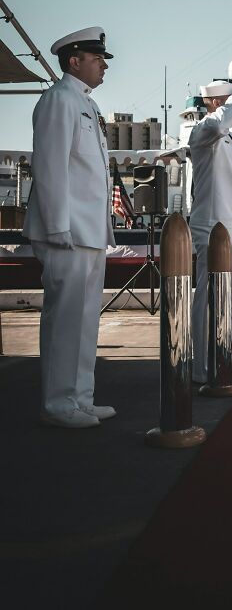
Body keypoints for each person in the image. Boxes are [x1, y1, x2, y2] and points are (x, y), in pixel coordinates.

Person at [24, 27, 116, 428]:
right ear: (74, 61)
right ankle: (58, 404)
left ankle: (81, 397)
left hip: (89, 231)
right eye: (97, 59)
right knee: (64, 320)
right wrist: (57, 226)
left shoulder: (86, 104)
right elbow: (50, 166)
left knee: (85, 320)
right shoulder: (58, 100)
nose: (104, 66)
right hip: (67, 230)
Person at [188, 80, 232, 384]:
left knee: (224, 298)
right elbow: (218, 122)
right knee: (209, 296)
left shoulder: (227, 138)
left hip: (230, 221)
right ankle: (202, 367)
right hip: (212, 223)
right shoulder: (204, 130)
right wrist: (231, 103)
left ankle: (220, 361)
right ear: (215, 102)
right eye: (230, 100)